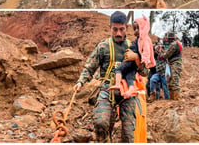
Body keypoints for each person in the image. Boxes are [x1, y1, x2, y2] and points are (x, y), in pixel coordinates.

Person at [73, 11, 148, 142]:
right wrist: (81, 82)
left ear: (127, 28)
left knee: (129, 133)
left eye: (121, 29)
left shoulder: (134, 46)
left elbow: (145, 72)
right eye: (115, 29)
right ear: (110, 28)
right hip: (107, 90)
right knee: (101, 123)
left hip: (127, 92)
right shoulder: (103, 46)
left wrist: (136, 58)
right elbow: (89, 67)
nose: (118, 33)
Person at [109, 16, 155, 98]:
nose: (136, 31)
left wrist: (139, 58)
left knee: (118, 69)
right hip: (130, 68)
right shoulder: (137, 40)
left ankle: (117, 84)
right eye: (135, 29)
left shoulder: (143, 40)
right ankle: (130, 90)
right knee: (130, 77)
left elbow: (145, 70)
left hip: (132, 63)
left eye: (121, 29)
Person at [158, 32, 183, 100]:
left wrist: (160, 52)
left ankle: (176, 98)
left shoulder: (173, 44)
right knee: (172, 81)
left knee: (174, 82)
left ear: (169, 39)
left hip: (175, 63)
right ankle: (173, 98)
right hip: (176, 64)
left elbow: (166, 55)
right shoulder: (177, 43)